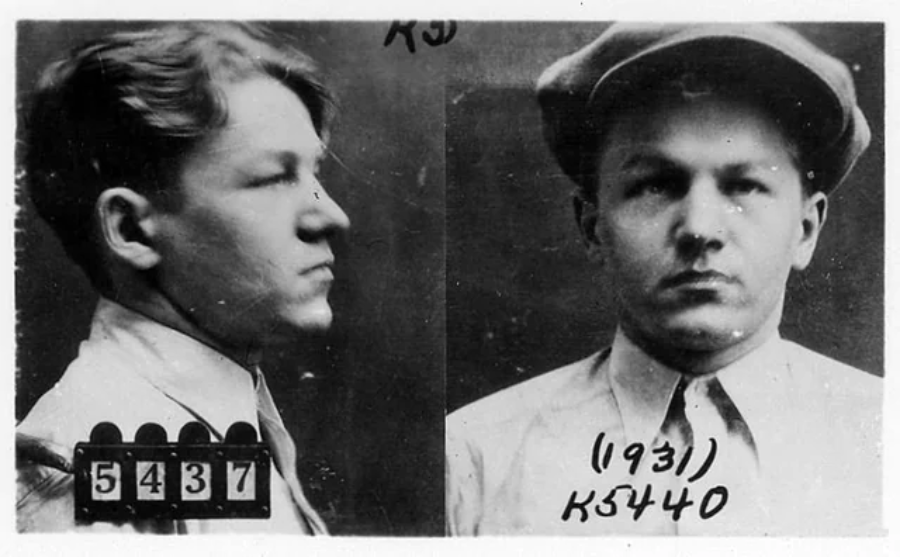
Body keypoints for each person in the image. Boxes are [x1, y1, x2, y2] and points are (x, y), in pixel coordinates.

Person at [446, 22, 882, 536]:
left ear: (805, 229)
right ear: (592, 228)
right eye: (656, 185)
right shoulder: (473, 459)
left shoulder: (882, 437)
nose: (699, 228)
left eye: (744, 185)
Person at [16, 22, 350, 533]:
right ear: (131, 229)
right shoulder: (78, 467)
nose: (332, 217)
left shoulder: (226, 416)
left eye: (314, 174)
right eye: (271, 178)